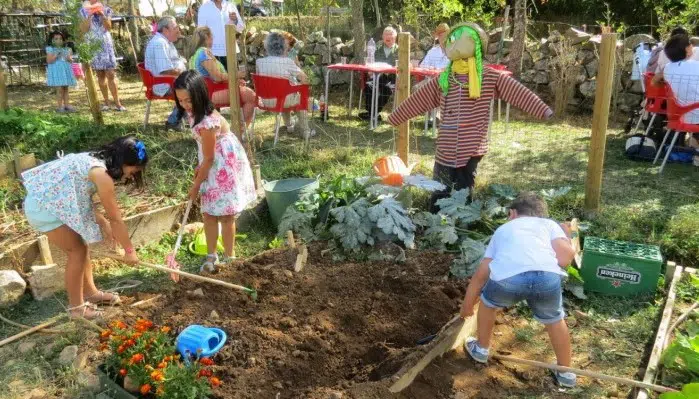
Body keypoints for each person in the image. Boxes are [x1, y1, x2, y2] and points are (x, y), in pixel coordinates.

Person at [388, 23, 552, 212]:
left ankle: (462, 221)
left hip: (471, 144)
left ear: (476, 45)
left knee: (463, 187)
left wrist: (542, 109)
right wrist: (397, 116)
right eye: (452, 41)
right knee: (441, 185)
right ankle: (435, 220)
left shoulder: (488, 76)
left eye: (461, 40)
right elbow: (420, 99)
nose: (454, 45)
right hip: (446, 144)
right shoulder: (445, 78)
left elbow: (517, 92)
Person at [21, 136, 147, 320]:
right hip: (45, 207)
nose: (132, 175)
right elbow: (116, 219)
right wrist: (129, 251)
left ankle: (90, 293)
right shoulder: (102, 175)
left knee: (81, 248)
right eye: (134, 170)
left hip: (50, 203)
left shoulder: (95, 161)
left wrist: (101, 221)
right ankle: (76, 309)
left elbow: (73, 192)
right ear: (123, 162)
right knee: (77, 251)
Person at [459, 192, 577, 388]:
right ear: (542, 214)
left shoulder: (503, 230)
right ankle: (566, 373)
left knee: (488, 304)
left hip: (508, 280)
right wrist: (566, 236)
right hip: (546, 279)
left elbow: (481, 274)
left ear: (512, 213)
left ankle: (481, 349)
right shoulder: (549, 225)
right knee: (556, 320)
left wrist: (467, 305)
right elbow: (565, 259)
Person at [174, 70, 256, 271]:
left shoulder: (208, 122)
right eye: (181, 101)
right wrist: (199, 168)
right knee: (209, 213)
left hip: (223, 168)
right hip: (212, 162)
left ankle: (229, 257)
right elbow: (207, 154)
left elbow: (210, 157)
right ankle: (211, 256)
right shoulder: (195, 113)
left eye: (188, 100)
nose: (185, 105)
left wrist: (196, 185)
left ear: (200, 95)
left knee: (226, 215)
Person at [188, 26, 257, 131]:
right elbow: (217, 77)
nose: (213, 40)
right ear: (207, 37)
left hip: (204, 91)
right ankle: (240, 132)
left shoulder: (195, 53)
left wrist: (235, 81)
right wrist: (236, 75)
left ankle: (238, 130)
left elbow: (213, 77)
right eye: (212, 37)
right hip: (209, 93)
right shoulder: (204, 52)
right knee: (251, 96)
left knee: (246, 93)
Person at [256, 31, 310, 137]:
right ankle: (305, 131)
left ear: (268, 46)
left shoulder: (259, 62)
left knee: (284, 92)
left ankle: (289, 125)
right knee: (297, 95)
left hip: (266, 100)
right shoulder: (287, 61)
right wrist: (301, 85)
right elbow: (304, 78)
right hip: (283, 100)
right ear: (284, 46)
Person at [79, 0, 126, 111]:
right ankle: (106, 103)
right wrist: (89, 15)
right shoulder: (82, 11)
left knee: (111, 73)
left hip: (106, 44)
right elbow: (84, 29)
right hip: (93, 45)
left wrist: (103, 15)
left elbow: (109, 27)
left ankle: (117, 103)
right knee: (100, 74)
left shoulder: (106, 9)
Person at [145, 16, 187, 131]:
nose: (178, 30)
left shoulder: (166, 41)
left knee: (195, 83)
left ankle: (187, 118)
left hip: (169, 80)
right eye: (175, 27)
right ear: (165, 30)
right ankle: (173, 121)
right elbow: (165, 70)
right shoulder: (159, 43)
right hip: (163, 84)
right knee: (192, 89)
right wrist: (183, 73)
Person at [652, 34, 699, 124]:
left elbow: (654, 81)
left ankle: (694, 138)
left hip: (681, 115)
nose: (692, 46)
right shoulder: (696, 65)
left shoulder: (667, 68)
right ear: (687, 50)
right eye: (689, 44)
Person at [359, 26, 399, 121]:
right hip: (377, 75)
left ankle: (373, 113)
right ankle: (371, 113)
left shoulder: (400, 50)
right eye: (386, 34)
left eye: (390, 34)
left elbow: (405, 65)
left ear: (395, 37)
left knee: (387, 89)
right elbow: (370, 61)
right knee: (369, 85)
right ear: (382, 36)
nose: (388, 37)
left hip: (392, 78)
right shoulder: (376, 48)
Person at [197, 0, 244, 69]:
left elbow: (240, 28)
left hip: (231, 50)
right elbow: (201, 31)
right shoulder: (204, 7)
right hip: (213, 53)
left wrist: (235, 20)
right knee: (219, 79)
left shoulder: (230, 5)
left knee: (234, 78)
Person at [45, 30, 77, 113]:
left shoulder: (67, 49)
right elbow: (49, 61)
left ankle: (67, 105)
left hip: (65, 70)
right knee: (59, 89)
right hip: (56, 71)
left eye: (60, 39)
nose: (58, 40)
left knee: (65, 88)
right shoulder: (50, 49)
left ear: (63, 40)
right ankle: (60, 106)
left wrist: (69, 58)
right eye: (56, 39)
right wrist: (56, 55)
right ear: (52, 40)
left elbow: (70, 60)